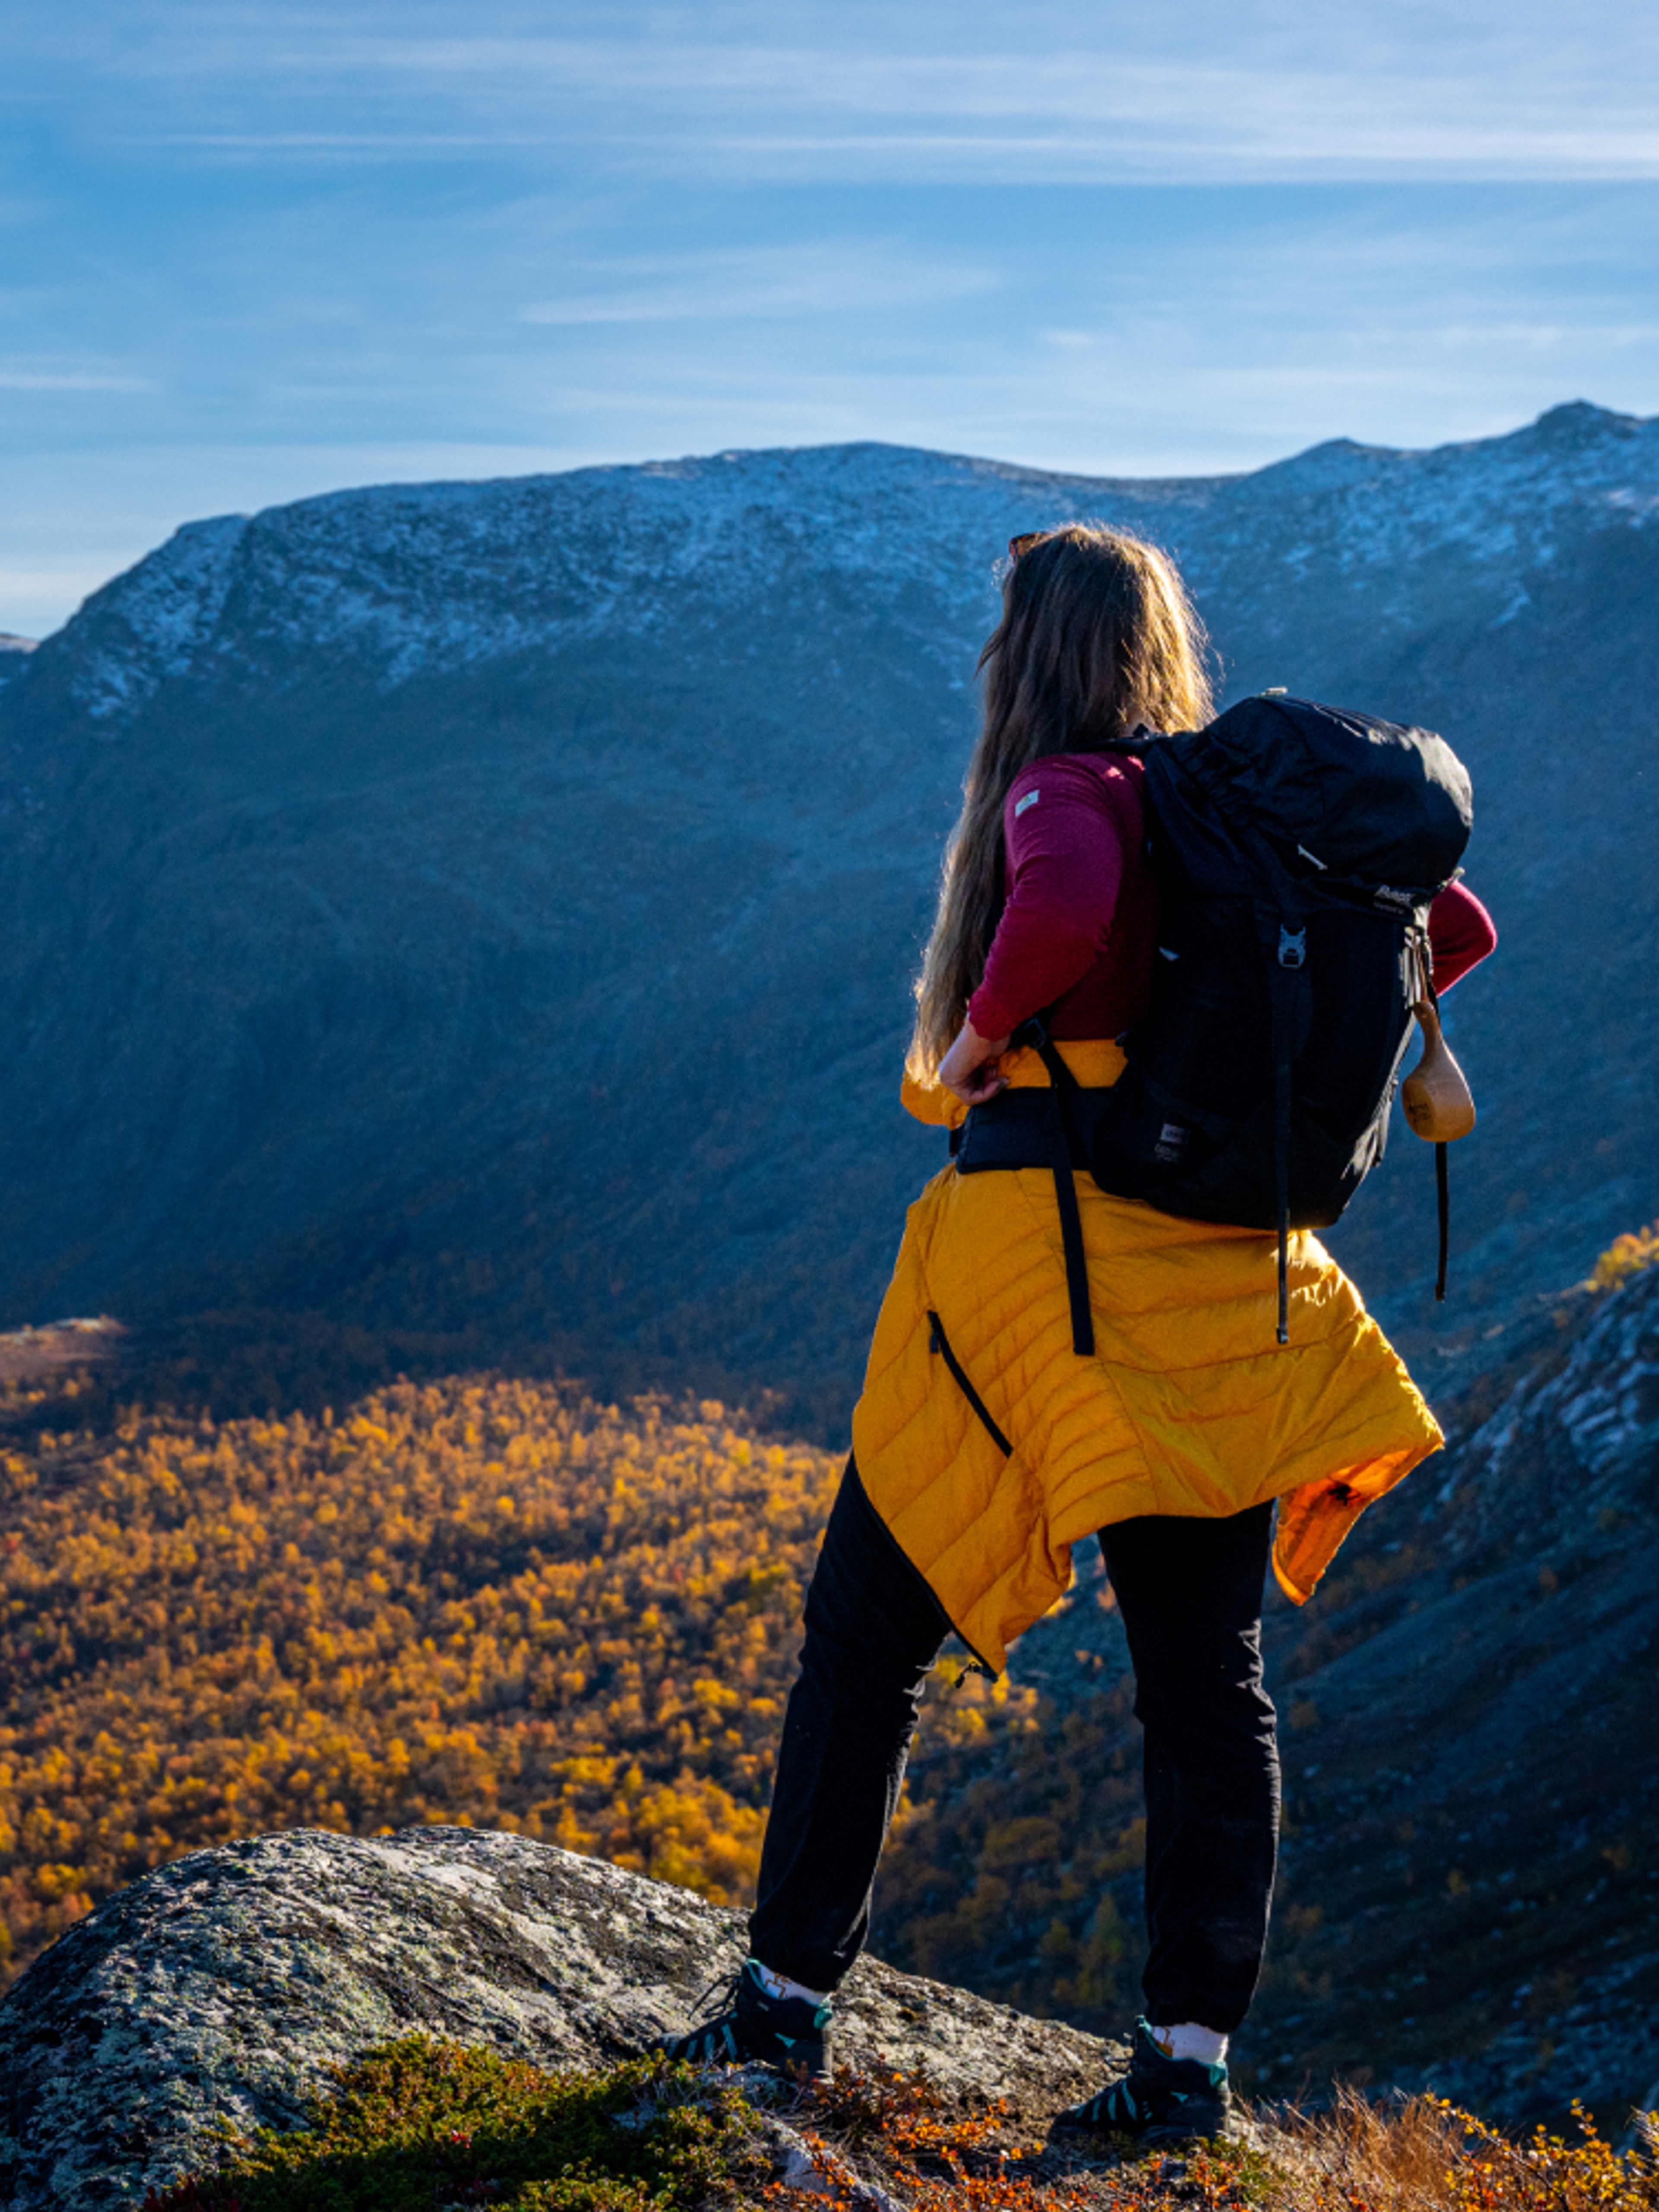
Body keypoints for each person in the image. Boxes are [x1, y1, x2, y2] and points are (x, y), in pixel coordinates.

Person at [660, 526, 1495, 2141]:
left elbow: (1061, 910)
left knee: (865, 1646)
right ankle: (1187, 2063)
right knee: (1206, 1682)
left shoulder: (1073, 795)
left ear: (1025, 658)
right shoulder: (1246, 814)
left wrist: (978, 1042)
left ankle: (779, 2016)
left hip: (1040, 1297)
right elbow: (1449, 929)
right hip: (1229, 1297)